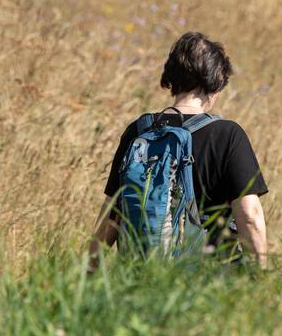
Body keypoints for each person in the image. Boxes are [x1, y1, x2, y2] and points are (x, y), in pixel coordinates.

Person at [89, 31, 268, 268]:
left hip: (140, 279)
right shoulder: (228, 135)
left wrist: (88, 273)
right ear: (216, 81)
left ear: (171, 76)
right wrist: (262, 276)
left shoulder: (139, 131)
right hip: (207, 282)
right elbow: (249, 215)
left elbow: (113, 213)